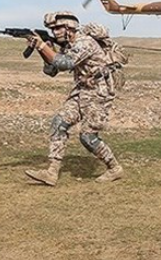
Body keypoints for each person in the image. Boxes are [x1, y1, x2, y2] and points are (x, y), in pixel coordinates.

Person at [24, 11, 124, 186]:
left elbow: (66, 64)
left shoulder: (84, 42)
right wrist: (45, 50)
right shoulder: (67, 46)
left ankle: (114, 168)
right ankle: (51, 172)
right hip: (81, 91)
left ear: (69, 27)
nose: (55, 32)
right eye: (52, 29)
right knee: (58, 123)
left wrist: (42, 46)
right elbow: (52, 71)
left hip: (98, 93)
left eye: (57, 28)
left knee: (87, 137)